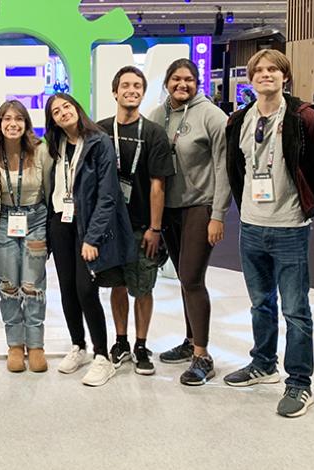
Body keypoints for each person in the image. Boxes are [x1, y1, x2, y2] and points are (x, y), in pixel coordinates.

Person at [221, 49, 314, 417]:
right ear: (250, 79)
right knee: (260, 303)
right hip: (252, 226)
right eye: (259, 70)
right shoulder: (239, 120)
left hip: (290, 228)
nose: (266, 75)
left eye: (274, 70)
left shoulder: (304, 118)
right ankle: (263, 363)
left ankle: (300, 383)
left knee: (296, 310)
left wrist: (303, 203)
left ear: (285, 77)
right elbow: (235, 168)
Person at [148, 58, 231, 386]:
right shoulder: (159, 115)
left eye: (189, 80)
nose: (182, 85)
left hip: (200, 206)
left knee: (193, 278)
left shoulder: (210, 115)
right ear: (167, 82)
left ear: (198, 83)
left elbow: (224, 167)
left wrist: (218, 214)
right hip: (169, 209)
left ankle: (202, 355)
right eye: (176, 79)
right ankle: (188, 340)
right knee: (183, 276)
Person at [44, 93, 135, 387]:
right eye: (56, 112)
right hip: (61, 221)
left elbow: (108, 195)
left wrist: (93, 237)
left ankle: (102, 356)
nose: (63, 113)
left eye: (66, 107)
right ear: (53, 120)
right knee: (67, 288)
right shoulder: (55, 145)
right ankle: (78, 346)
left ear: (77, 108)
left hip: (87, 225)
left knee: (86, 289)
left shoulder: (99, 141)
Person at [96, 67, 175, 376]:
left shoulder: (154, 132)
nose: (132, 89)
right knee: (115, 284)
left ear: (143, 92)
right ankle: (121, 341)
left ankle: (141, 344)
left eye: (138, 85)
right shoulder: (101, 131)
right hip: (109, 228)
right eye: (125, 85)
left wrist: (155, 229)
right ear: (115, 92)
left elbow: (159, 184)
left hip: (142, 227)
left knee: (143, 288)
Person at [0, 100, 53, 373]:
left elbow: (50, 189)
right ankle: (15, 344)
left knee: (33, 284)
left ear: (26, 123)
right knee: (8, 284)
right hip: (3, 221)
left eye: (18, 119)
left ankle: (36, 345)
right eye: (6, 118)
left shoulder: (40, 151)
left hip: (35, 219)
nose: (12, 124)